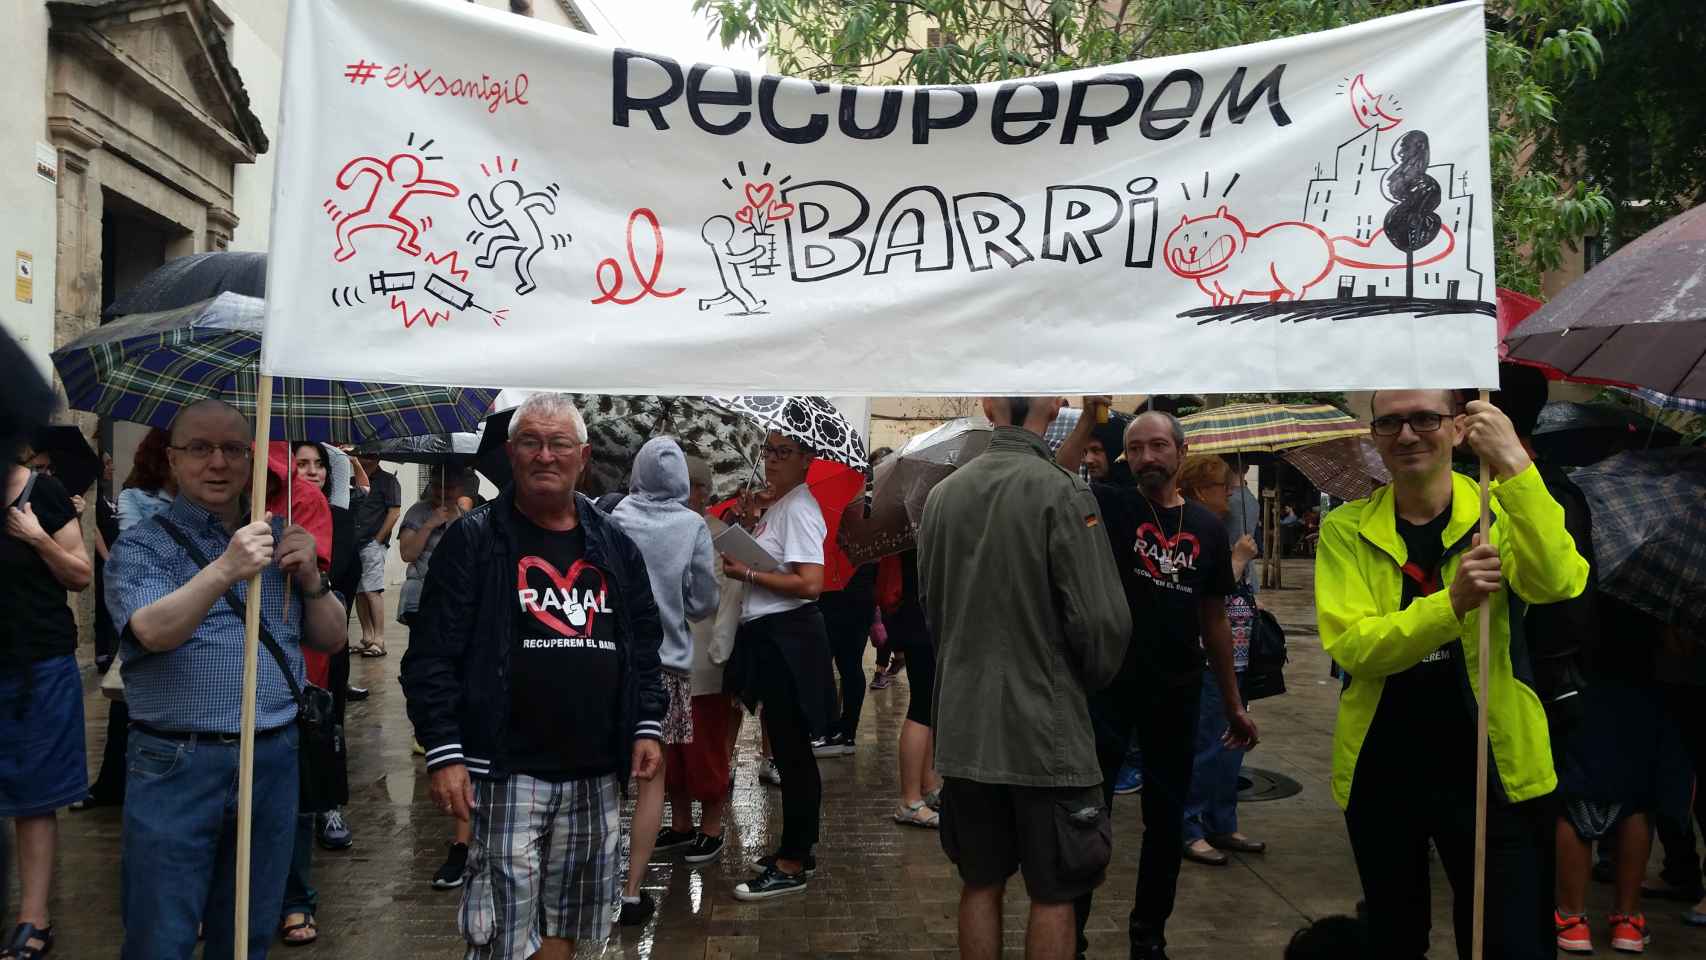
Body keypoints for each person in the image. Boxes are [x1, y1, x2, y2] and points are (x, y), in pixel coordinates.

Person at [1315, 390, 1588, 960]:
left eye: (1424, 418)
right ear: (1374, 436)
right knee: (1395, 936)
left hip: (1493, 770)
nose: (1408, 434)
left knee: (1506, 941)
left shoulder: (1498, 511)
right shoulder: (1346, 529)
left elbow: (1558, 582)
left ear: (1459, 428)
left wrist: (1516, 466)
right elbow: (1355, 645)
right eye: (1389, 422)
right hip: (1383, 769)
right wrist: (1451, 604)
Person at [401, 393, 666, 960]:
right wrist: (445, 752)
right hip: (504, 771)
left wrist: (646, 722)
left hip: (595, 772)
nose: (545, 455)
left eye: (559, 443)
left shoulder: (614, 545)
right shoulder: (473, 540)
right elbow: (430, 656)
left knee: (564, 921)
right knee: (500, 929)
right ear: (512, 453)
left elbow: (642, 641)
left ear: (583, 456)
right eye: (531, 442)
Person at [105, 399, 348, 960]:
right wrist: (225, 570)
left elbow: (332, 639)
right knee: (159, 936)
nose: (218, 463)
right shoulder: (144, 545)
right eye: (199, 448)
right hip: (176, 762)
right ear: (172, 460)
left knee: (247, 931)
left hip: (272, 759)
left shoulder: (281, 539)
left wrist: (312, 577)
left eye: (234, 449)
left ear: (254, 457)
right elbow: (151, 630)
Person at [919, 396, 1132, 960]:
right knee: (1055, 888)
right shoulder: (1063, 491)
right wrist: (1084, 680)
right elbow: (1103, 624)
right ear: (1054, 403)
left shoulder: (941, 497)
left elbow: (933, 612)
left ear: (989, 407)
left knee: (980, 880)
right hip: (1047, 730)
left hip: (965, 729)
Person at [1057, 401, 1258, 960]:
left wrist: (1235, 702)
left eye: (1158, 446)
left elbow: (1214, 622)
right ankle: (1071, 933)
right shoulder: (1112, 507)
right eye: (1137, 448)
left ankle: (1149, 936)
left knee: (1165, 823)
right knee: (1087, 814)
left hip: (1177, 691)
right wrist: (1087, 421)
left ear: (1181, 452)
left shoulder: (1206, 529)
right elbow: (1052, 478)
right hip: (1108, 688)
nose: (1147, 456)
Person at [719, 430, 837, 901]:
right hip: (772, 637)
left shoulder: (802, 508)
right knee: (787, 749)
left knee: (793, 753)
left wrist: (746, 571)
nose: (771, 461)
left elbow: (809, 583)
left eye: (783, 452)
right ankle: (794, 851)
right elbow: (779, 569)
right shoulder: (780, 505)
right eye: (767, 451)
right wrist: (750, 526)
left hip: (790, 638)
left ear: (806, 459)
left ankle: (794, 860)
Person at [608, 437, 720, 925]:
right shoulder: (692, 524)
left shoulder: (612, 516)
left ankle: (596, 880)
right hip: (668, 668)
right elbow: (702, 603)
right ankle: (632, 892)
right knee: (652, 778)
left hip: (610, 663)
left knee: (609, 778)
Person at [2, 443, 93, 960]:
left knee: (35, 796)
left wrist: (36, 538)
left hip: (37, 663)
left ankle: (32, 918)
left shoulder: (44, 493)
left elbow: (79, 574)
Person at [1176, 455, 1263, 867]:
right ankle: (1190, 825)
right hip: (1209, 656)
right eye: (1221, 486)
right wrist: (1239, 559)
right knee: (1208, 742)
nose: (1229, 491)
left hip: (1239, 652)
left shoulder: (1226, 525)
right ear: (1197, 489)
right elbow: (1201, 593)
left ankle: (1221, 820)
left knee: (1234, 742)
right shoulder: (1189, 529)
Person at [659, 456, 743, 866]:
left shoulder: (721, 536)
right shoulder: (663, 529)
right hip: (666, 656)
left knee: (704, 745)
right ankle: (679, 825)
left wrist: (721, 649)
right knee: (669, 747)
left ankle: (711, 825)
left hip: (705, 656)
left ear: (703, 491)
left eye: (691, 485)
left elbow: (729, 598)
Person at [887, 550, 942, 830]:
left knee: (930, 704)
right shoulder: (913, 523)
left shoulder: (911, 520)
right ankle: (909, 801)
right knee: (921, 707)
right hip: (920, 620)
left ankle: (928, 784)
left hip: (918, 619)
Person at [350, 453, 401, 657]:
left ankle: (379, 639)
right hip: (354, 543)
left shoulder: (388, 481)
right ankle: (367, 637)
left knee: (372, 590)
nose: (363, 458)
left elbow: (394, 512)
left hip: (372, 543)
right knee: (360, 592)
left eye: (369, 455)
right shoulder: (352, 481)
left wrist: (378, 539)